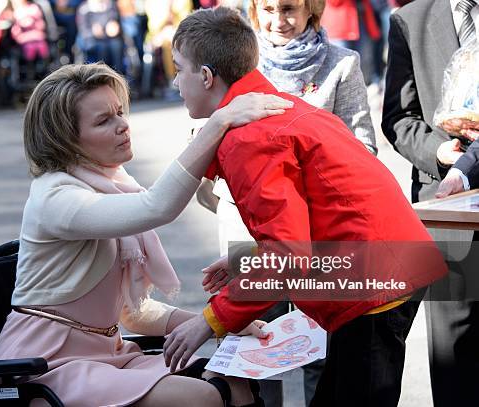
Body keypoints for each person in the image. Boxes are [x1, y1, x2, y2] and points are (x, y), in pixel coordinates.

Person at [161, 7, 447, 406]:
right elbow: (304, 218)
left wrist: (209, 322)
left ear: (206, 76)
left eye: (180, 70)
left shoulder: (248, 137)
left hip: (373, 279)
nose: (176, 82)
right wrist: (251, 259)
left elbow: (289, 255)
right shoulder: (270, 110)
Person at [0, 62, 293, 406]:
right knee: (207, 396)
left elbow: (132, 312)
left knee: (237, 381)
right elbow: (157, 207)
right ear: (64, 141)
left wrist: (215, 322)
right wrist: (220, 122)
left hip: (109, 354)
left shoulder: (112, 184)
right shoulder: (55, 196)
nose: (123, 126)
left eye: (120, 112)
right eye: (104, 121)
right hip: (46, 365)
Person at [195, 1, 376, 404]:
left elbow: (361, 147)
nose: (279, 21)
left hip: (320, 230)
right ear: (255, 11)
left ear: (311, 10)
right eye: (269, 9)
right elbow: (206, 140)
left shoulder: (341, 63)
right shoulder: (237, 58)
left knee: (320, 340)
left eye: (290, 9)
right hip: (249, 220)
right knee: (258, 337)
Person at [381, 1, 479, 405]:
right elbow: (399, 118)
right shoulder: (411, 20)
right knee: (454, 354)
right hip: (447, 210)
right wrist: (442, 152)